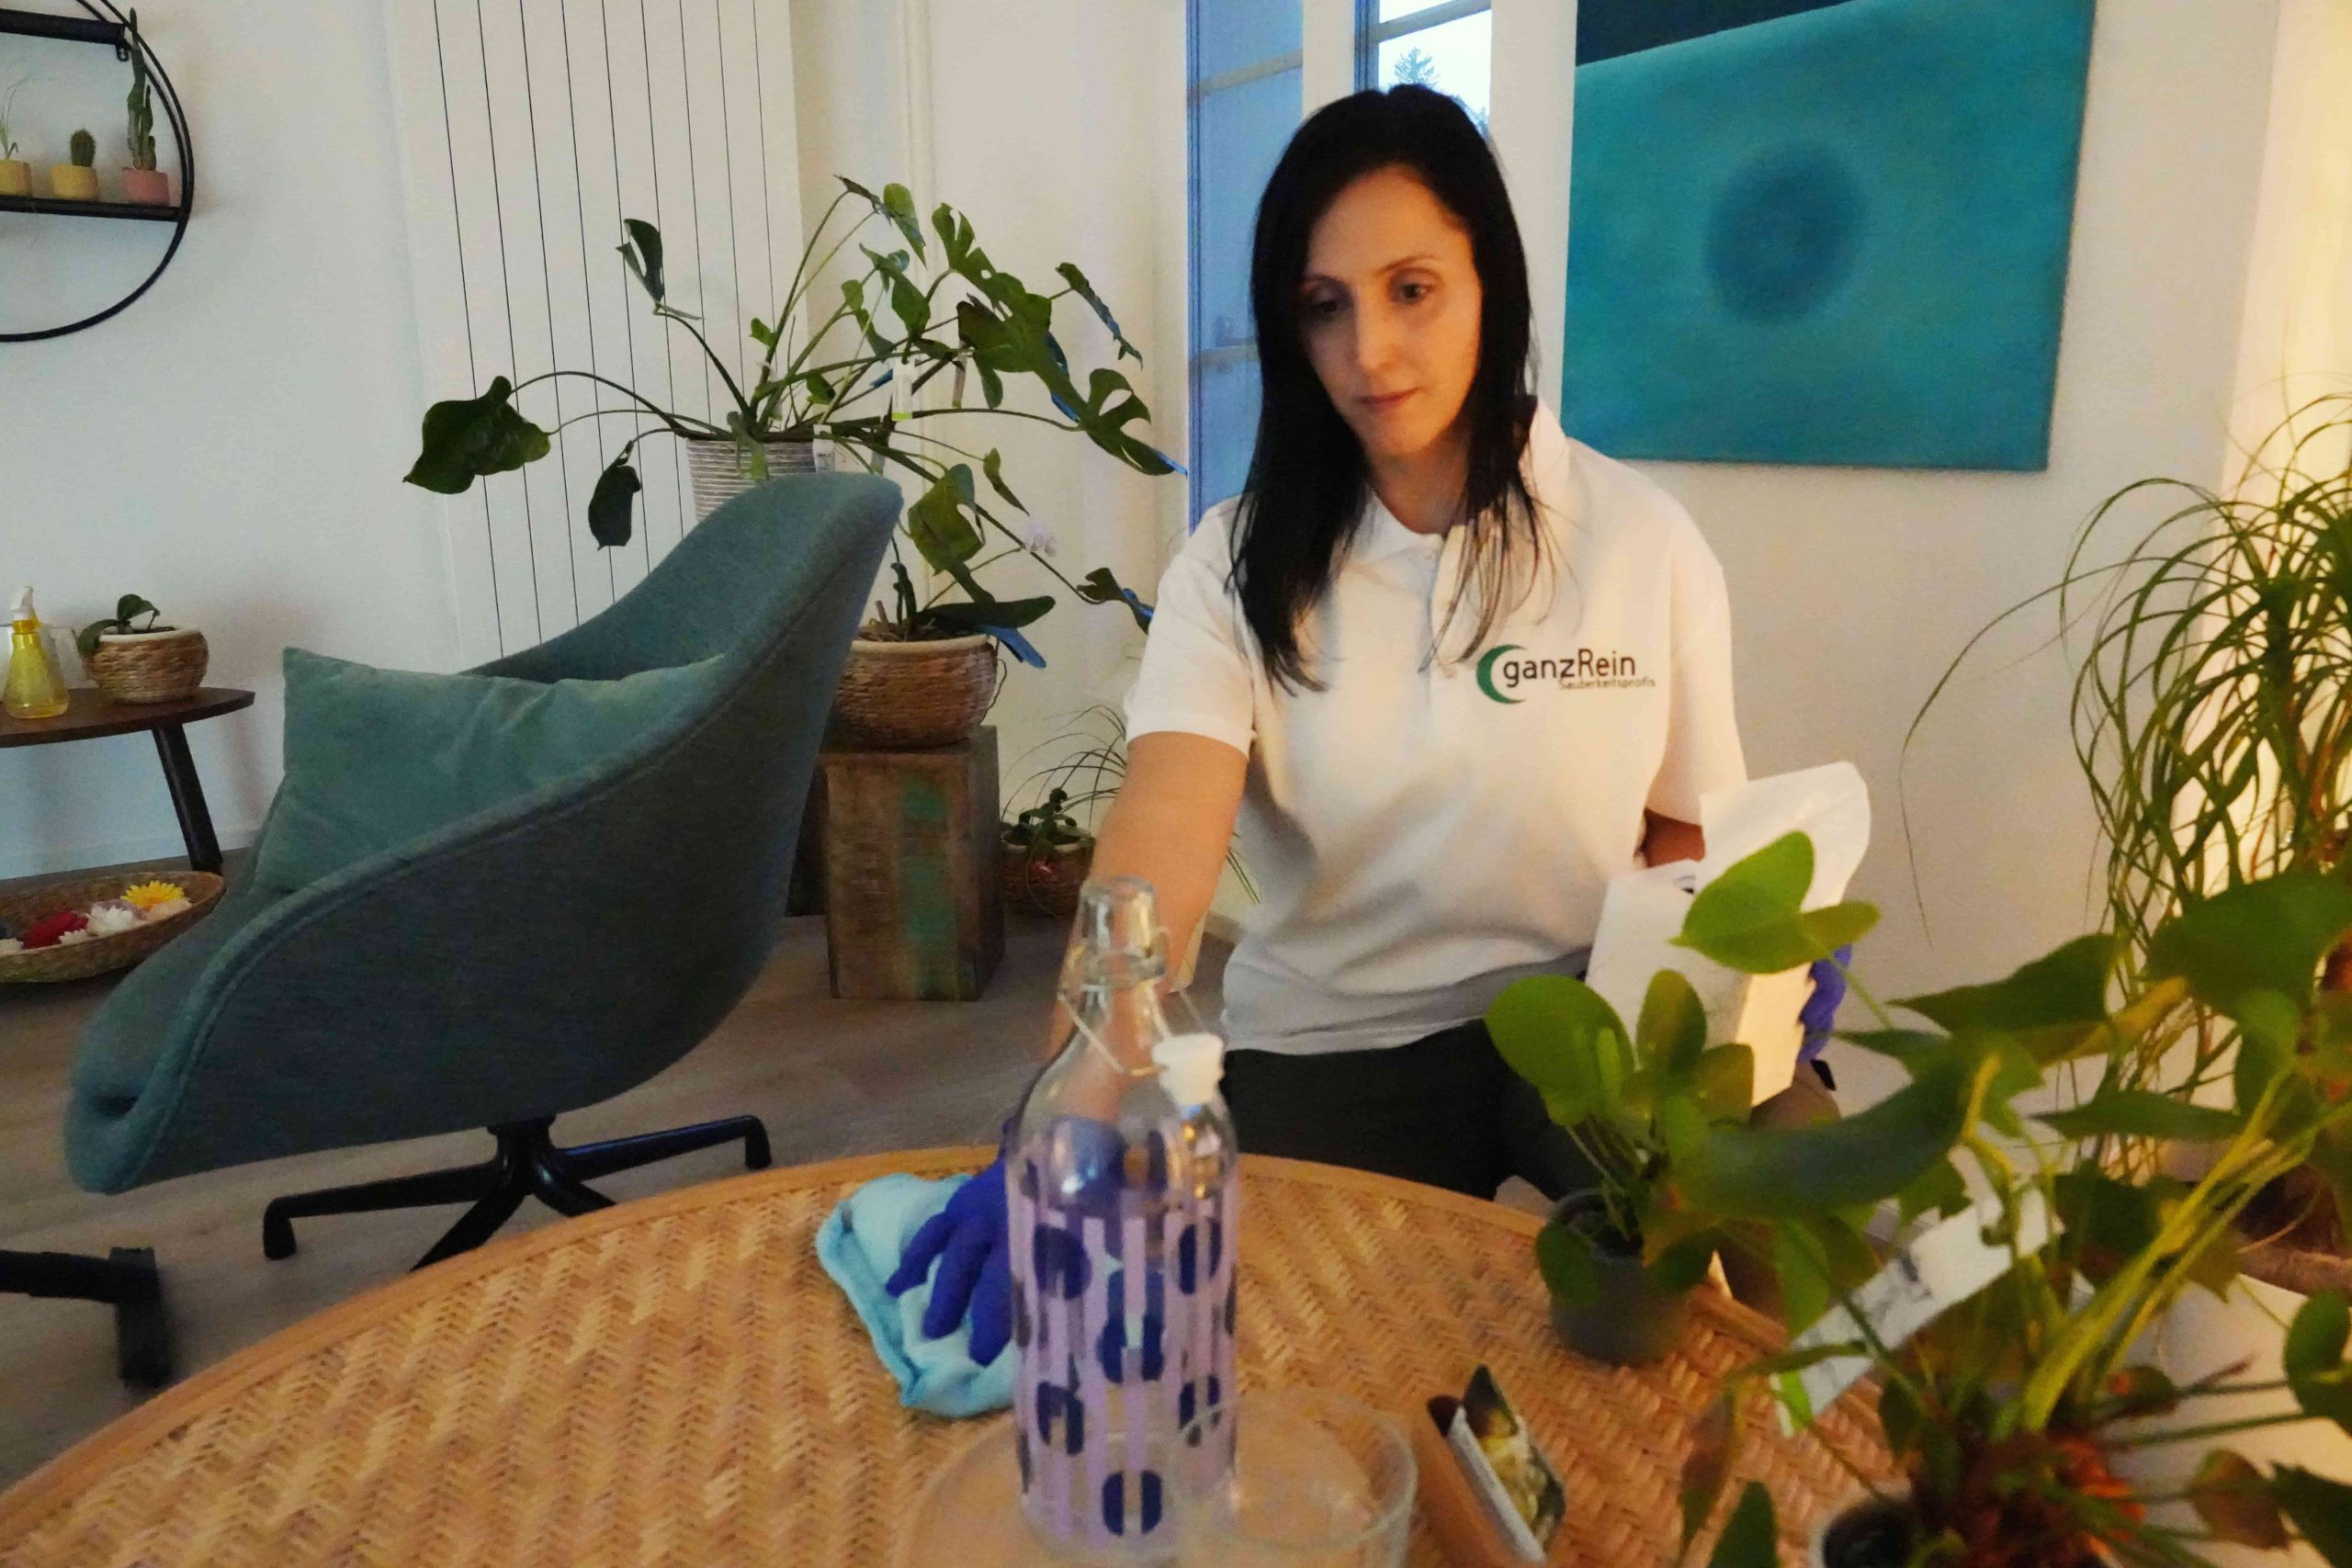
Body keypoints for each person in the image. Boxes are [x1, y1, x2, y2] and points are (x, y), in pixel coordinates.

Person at [889, 85, 1842, 1362]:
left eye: (1412, 290)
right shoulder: (1233, 566)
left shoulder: (1642, 543)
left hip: (1583, 1024)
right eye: (1324, 306)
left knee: (1789, 1226)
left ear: (1491, 282)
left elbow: (1685, 834)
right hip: (1337, 1042)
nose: (1370, 354)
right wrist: (1064, 1110)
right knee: (1286, 1366)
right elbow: (1162, 843)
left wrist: (1746, 983)